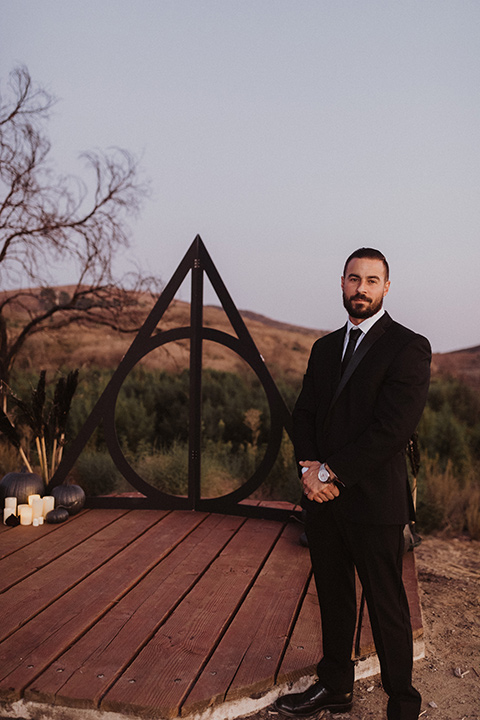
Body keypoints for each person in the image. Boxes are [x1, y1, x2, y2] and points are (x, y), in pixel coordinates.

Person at [274, 248, 431, 720]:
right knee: (334, 597)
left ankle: (403, 703)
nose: (361, 288)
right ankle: (335, 688)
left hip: (374, 502)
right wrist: (308, 469)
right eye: (353, 279)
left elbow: (392, 428)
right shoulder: (324, 348)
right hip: (322, 501)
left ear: (386, 287)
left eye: (371, 280)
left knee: (386, 605)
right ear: (341, 283)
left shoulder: (408, 346)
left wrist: (331, 473)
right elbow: (304, 414)